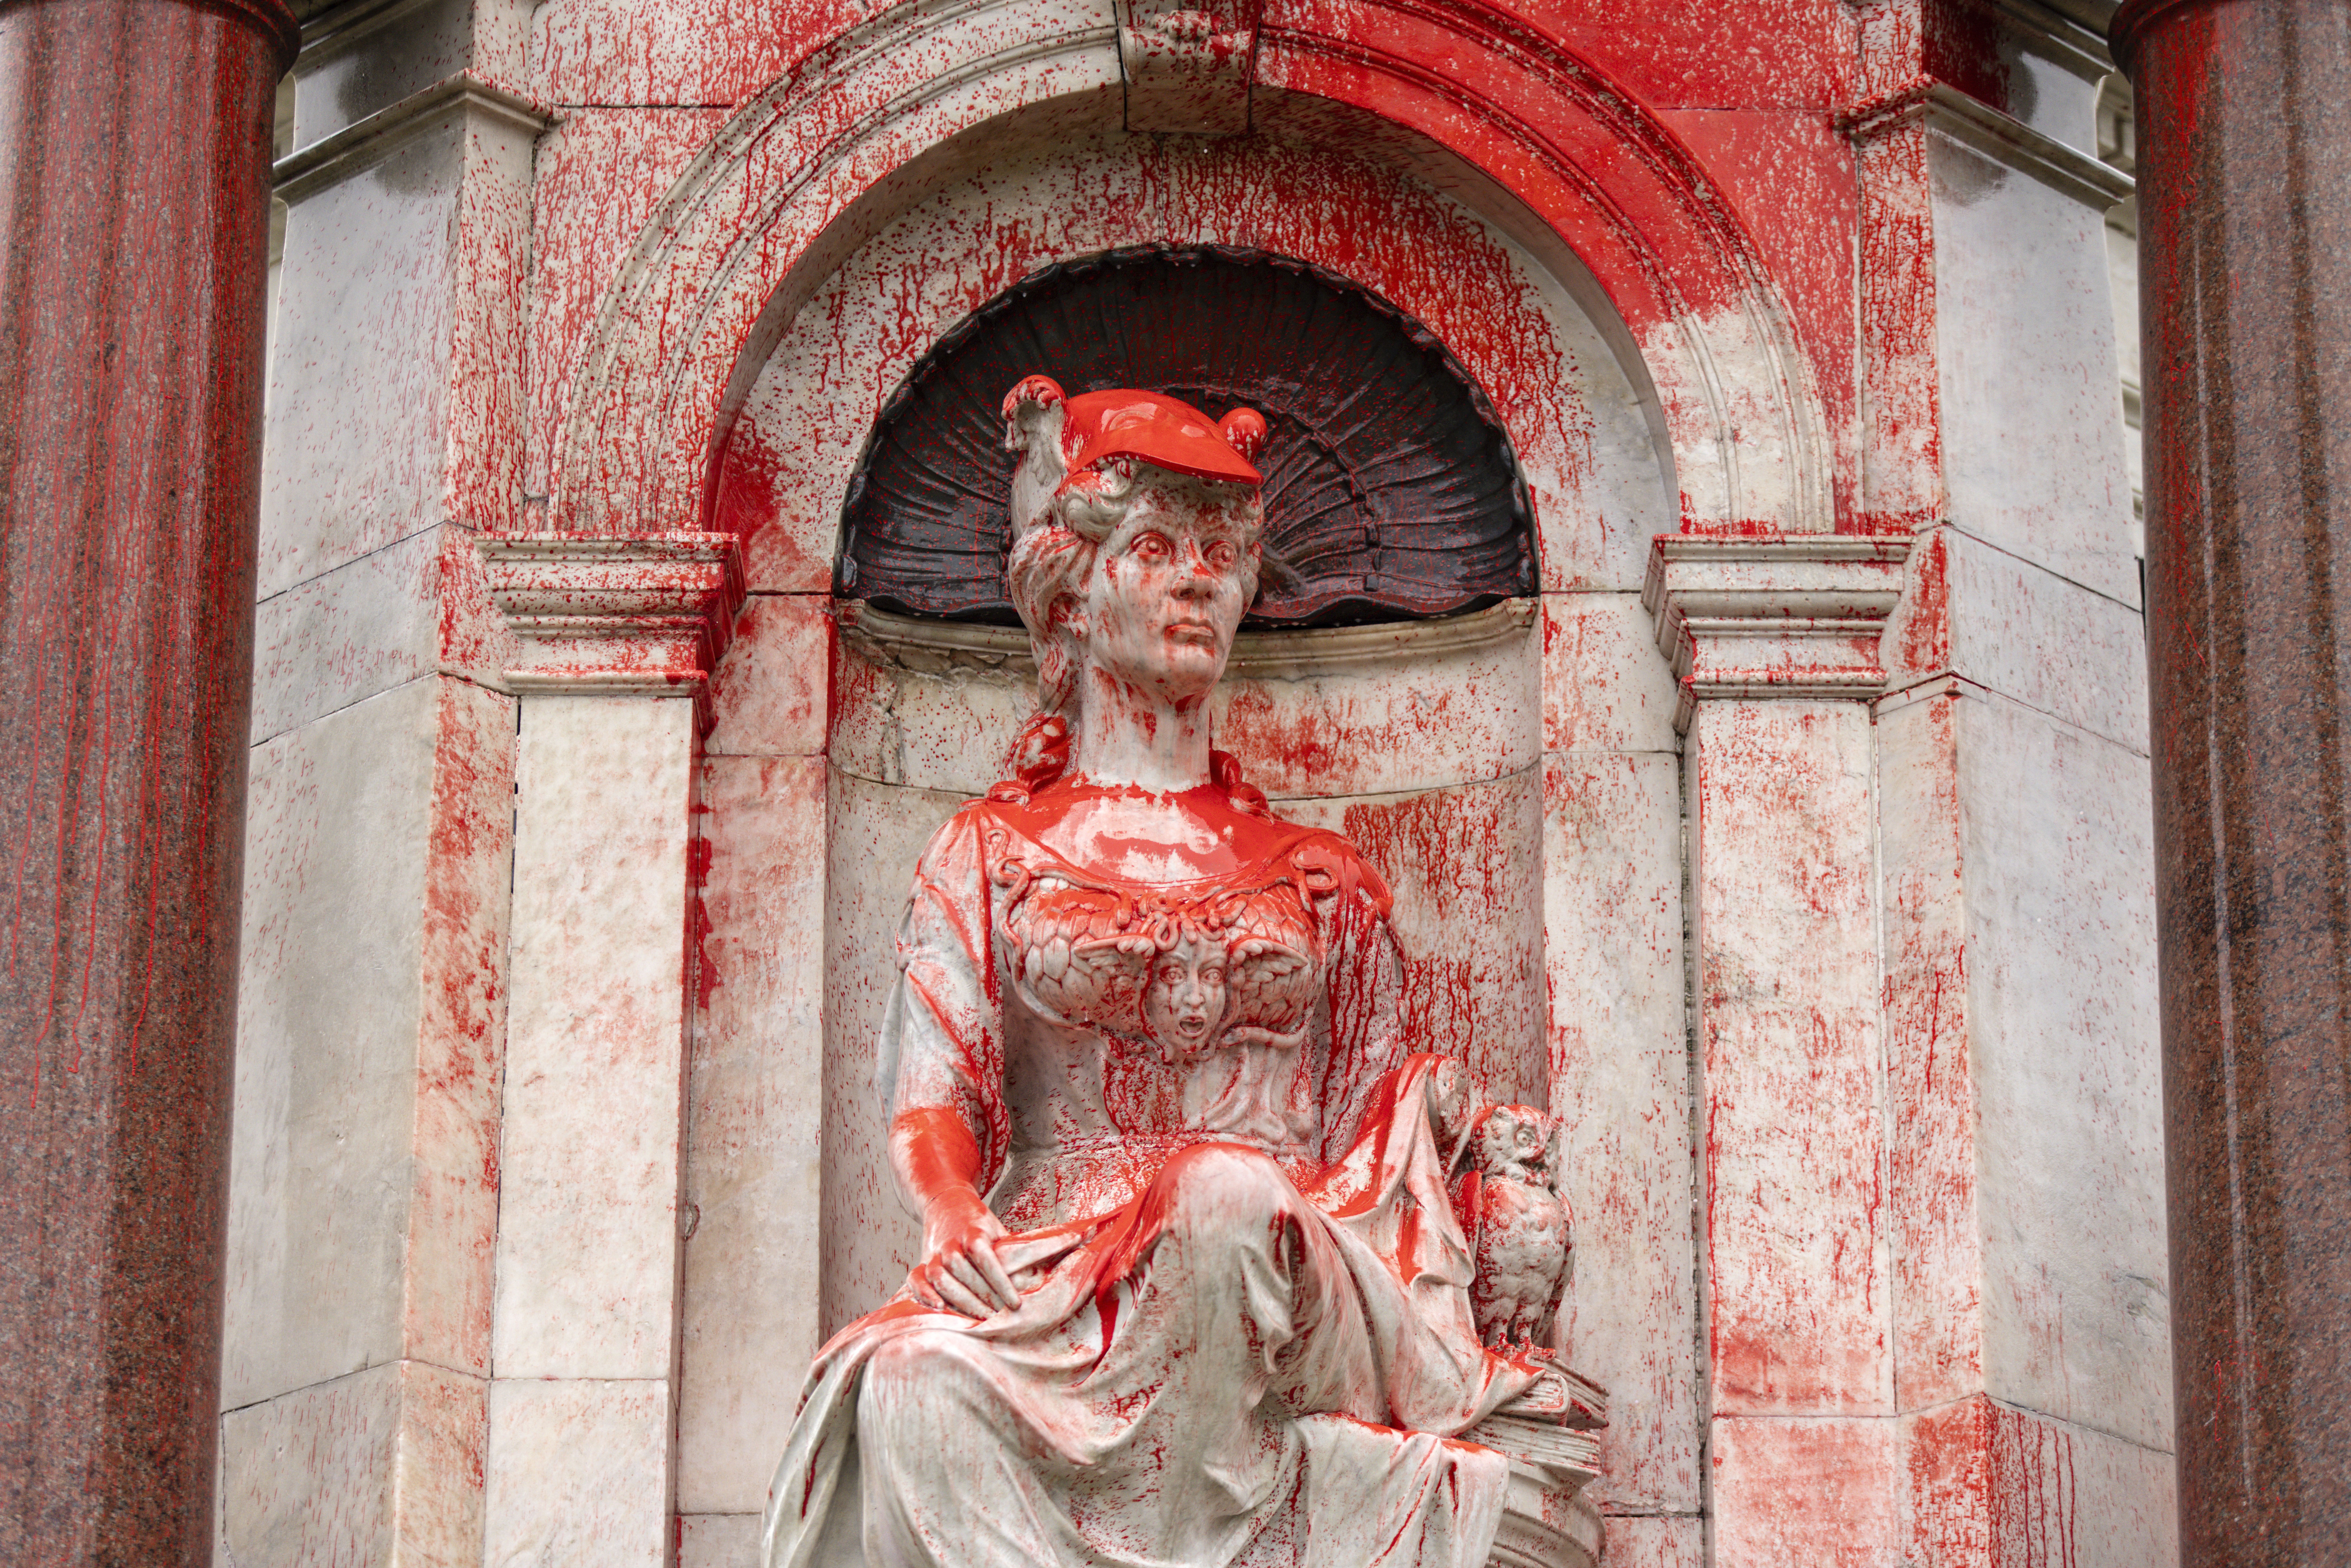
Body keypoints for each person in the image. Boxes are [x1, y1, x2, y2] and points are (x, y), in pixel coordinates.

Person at [764, 376, 1561, 1568]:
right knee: (906, 1383)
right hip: (1055, 1275)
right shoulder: (986, 856)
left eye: (1221, 553)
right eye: (1153, 548)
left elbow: (1372, 1119)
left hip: (1282, 1272)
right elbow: (933, 1095)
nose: (1198, 577)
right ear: (1071, 594)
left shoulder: (1321, 875)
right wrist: (948, 1213)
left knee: (1228, 1192)